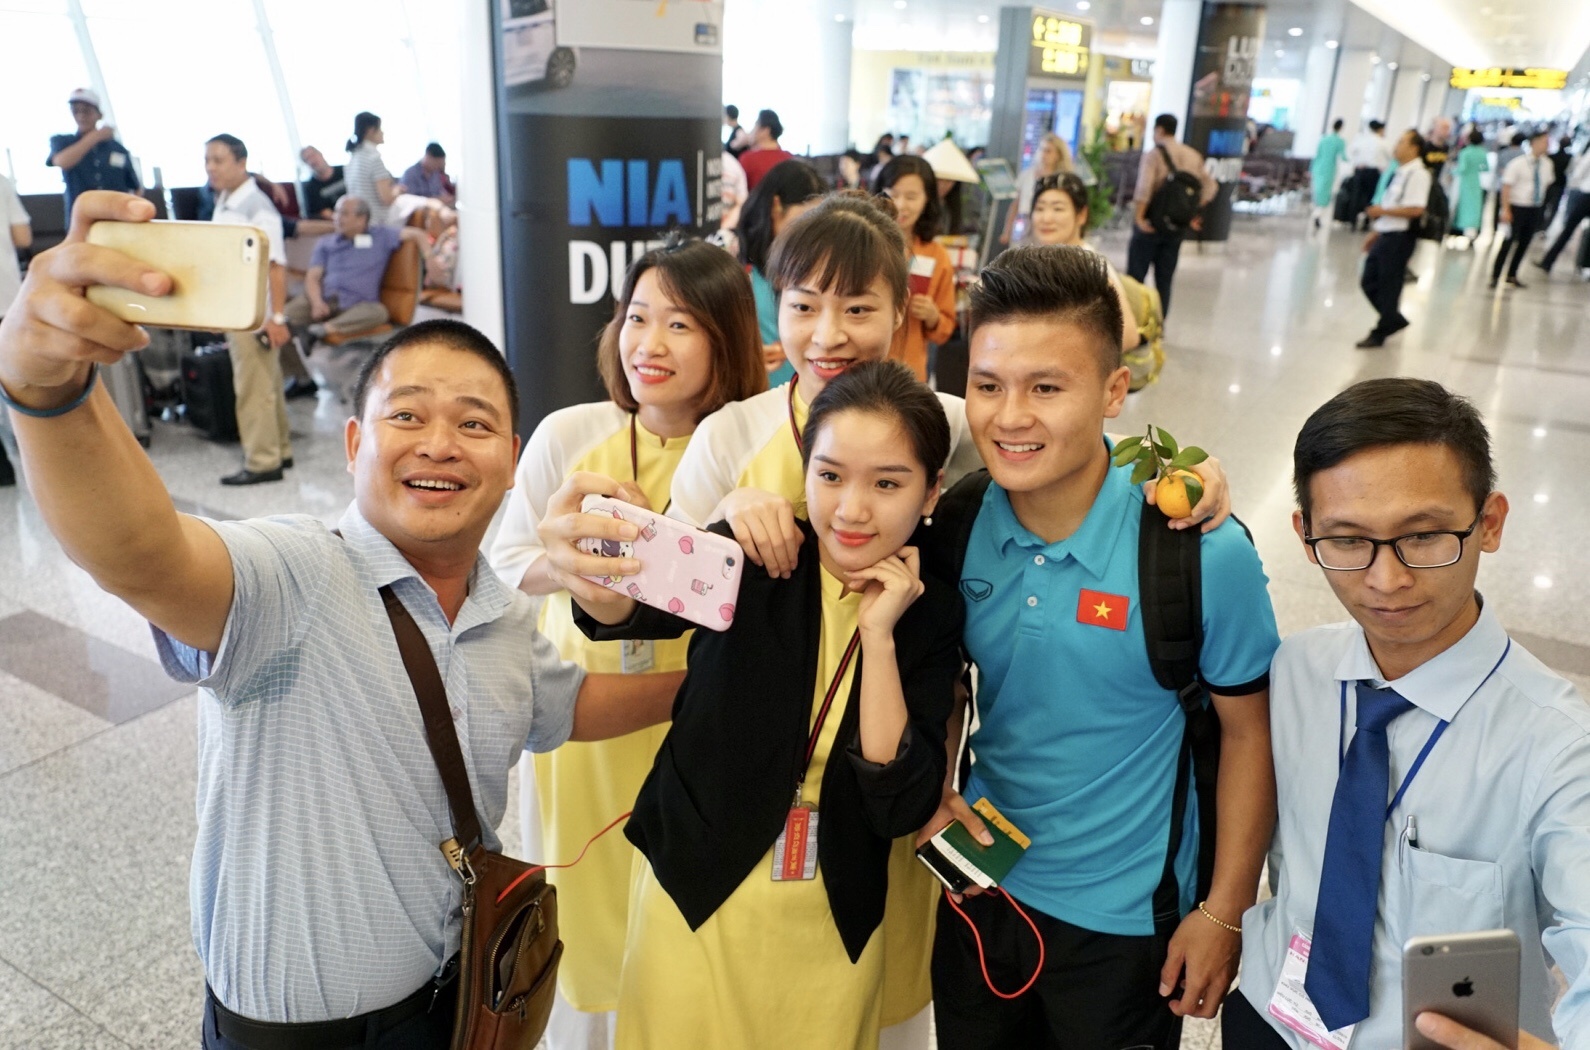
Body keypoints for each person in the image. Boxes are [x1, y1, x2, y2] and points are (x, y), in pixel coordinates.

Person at [0, 190, 686, 1050]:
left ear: (512, 464)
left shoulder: (503, 616)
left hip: (454, 1001)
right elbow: (141, 552)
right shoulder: (295, 571)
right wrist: (48, 388)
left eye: (474, 424)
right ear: (356, 445)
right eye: (407, 415)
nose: (439, 443)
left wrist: (702, 687)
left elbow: (566, 706)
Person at [670, 196, 1234, 1048]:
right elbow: (644, 603)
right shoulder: (729, 438)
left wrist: (1181, 469)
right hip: (736, 799)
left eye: (859, 308)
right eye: (804, 305)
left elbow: (1059, 434)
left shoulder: (947, 423)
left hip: (897, 809)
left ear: (906, 315)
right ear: (772, 308)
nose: (830, 333)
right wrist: (723, 513)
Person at [920, 245, 1278, 1050]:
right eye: (987, 386)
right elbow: (943, 677)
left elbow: (1251, 734)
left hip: (1128, 919)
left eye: (1047, 387)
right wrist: (936, 784)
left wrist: (1224, 910)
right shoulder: (964, 522)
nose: (1010, 416)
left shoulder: (1197, 552)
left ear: (1115, 390)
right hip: (983, 885)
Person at [546, 359, 963, 1050]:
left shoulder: (930, 606)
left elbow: (899, 798)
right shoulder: (762, 554)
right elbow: (622, 611)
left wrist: (879, 637)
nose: (852, 509)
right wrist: (590, 556)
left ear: (930, 492)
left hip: (835, 909)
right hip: (698, 886)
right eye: (829, 475)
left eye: (887, 483)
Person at [1224, 377, 1590, 1050]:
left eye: (1423, 537)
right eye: (1347, 540)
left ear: (1491, 522)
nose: (1386, 580)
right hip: (1272, 1014)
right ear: (1304, 535)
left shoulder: (1559, 746)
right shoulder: (1296, 672)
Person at [488, 238, 766, 1050]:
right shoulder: (571, 433)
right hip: (585, 715)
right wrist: (574, 571)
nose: (649, 343)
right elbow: (503, 565)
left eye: (680, 323)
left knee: (690, 902)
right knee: (588, 902)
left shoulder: (753, 443)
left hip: (701, 713)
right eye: (637, 317)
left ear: (727, 339)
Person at [205, 133, 294, 486]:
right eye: (207, 160)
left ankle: (261, 461)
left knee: (252, 389)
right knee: (266, 382)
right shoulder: (226, 200)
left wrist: (277, 317)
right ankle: (280, 450)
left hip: (253, 314)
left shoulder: (256, 206)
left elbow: (276, 265)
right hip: (237, 308)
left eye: (218, 160)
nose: (211, 167)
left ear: (241, 163)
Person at [735, 159, 827, 386]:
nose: (810, 234)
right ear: (776, 206)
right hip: (754, 396)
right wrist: (746, 355)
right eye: (804, 220)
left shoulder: (820, 266)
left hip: (811, 398)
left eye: (819, 224)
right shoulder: (738, 268)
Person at [1027, 172, 1141, 352]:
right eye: (1040, 208)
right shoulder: (1048, 259)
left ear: (1081, 215)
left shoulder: (1089, 264)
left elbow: (1129, 336)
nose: (1046, 218)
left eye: (1058, 209)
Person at [286, 195, 417, 348]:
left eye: (344, 213)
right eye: (337, 212)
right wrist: (316, 303)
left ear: (362, 219)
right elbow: (313, 277)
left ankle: (319, 330)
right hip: (325, 300)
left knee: (379, 313)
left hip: (358, 305)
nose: (337, 218)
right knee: (280, 319)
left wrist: (430, 258)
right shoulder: (326, 242)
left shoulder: (382, 236)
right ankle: (297, 370)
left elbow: (417, 234)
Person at [872, 155, 957, 383]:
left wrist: (932, 316)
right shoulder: (864, 246)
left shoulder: (936, 255)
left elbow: (945, 328)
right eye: (893, 193)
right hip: (862, 368)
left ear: (927, 199)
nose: (900, 205)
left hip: (908, 374)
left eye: (912, 196)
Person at [1128, 114, 1218, 318]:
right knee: (1164, 280)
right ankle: (1158, 326)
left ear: (1159, 130)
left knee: (1135, 279)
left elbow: (1144, 189)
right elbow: (1211, 187)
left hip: (1151, 224)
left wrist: (1139, 219)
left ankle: (1133, 324)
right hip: (1176, 227)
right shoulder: (1193, 156)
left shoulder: (1154, 155)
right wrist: (1192, 210)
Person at [1355, 129, 1431, 349]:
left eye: (1401, 142)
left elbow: (1416, 209)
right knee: (1369, 280)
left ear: (1414, 148)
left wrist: (1381, 212)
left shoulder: (1418, 174)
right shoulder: (1401, 171)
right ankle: (1392, 320)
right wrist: (1376, 231)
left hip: (1400, 238)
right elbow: (1392, 202)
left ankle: (1382, 329)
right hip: (1387, 233)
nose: (1396, 146)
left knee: (1388, 285)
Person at [47, 88, 139, 214]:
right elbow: (62, 161)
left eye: (86, 111)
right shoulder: (63, 141)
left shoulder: (117, 149)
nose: (81, 116)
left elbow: (135, 186)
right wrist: (95, 136)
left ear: (99, 114)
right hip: (81, 219)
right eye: (76, 111)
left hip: (116, 218)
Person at [1490, 129, 1553, 290]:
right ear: (1534, 143)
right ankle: (1495, 275)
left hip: (1534, 208)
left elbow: (1547, 185)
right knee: (1508, 242)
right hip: (1516, 207)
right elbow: (1506, 187)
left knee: (1524, 243)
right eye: (1544, 142)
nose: (1547, 145)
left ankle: (1512, 274)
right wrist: (1506, 209)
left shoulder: (1547, 164)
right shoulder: (1518, 163)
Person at [1003, 132, 1072, 246]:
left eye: (1048, 151)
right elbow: (1016, 204)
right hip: (1024, 224)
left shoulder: (1061, 180)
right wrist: (1007, 230)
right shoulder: (1027, 175)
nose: (1043, 154)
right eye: (1042, 149)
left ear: (1058, 155)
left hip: (1047, 225)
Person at [1535, 141, 1590, 275]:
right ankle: (1584, 266)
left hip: (1586, 195)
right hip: (1584, 193)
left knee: (1568, 230)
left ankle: (1548, 262)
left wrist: (1574, 185)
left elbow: (1580, 171)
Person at [345, 111, 401, 228]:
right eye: (380, 128)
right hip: (378, 223)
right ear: (371, 130)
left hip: (361, 223)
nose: (383, 132)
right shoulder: (373, 159)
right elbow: (387, 199)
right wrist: (398, 190)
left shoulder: (352, 159)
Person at [396, 143, 458, 236]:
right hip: (418, 214)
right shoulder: (411, 174)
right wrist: (436, 200)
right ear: (428, 157)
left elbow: (439, 192)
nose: (438, 166)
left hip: (436, 208)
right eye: (437, 163)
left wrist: (445, 198)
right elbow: (408, 200)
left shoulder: (435, 174)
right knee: (434, 215)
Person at [1346, 121, 1389, 231]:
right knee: (1369, 197)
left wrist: (1356, 162)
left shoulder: (1361, 139)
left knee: (1356, 196)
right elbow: (1390, 156)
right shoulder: (1381, 142)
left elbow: (1350, 152)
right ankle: (1366, 221)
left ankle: (1353, 222)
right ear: (1380, 129)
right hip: (1373, 172)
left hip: (1360, 170)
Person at [739, 109, 796, 191]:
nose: (752, 131)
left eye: (755, 126)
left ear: (765, 130)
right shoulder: (789, 158)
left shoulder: (748, 159)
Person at [1453, 128, 1489, 247]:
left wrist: (1451, 171)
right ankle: (1473, 232)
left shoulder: (1465, 152)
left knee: (1462, 205)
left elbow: (1461, 168)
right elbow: (1485, 168)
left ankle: (1457, 229)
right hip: (1476, 181)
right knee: (1474, 207)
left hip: (1465, 182)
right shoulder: (1482, 152)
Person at [1311, 119, 1348, 230]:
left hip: (1318, 167)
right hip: (1329, 168)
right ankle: (1318, 213)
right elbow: (1344, 156)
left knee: (1318, 190)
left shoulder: (1323, 139)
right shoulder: (1339, 141)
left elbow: (1317, 154)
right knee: (1325, 192)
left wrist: (1312, 168)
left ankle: (1317, 211)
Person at [1492, 131, 1526, 233]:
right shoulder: (1523, 155)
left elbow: (1497, 170)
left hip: (1501, 186)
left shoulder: (1504, 153)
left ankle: (1495, 228)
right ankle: (1510, 231)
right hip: (1515, 190)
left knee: (1498, 207)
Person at [300, 145, 346, 220]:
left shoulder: (345, 171)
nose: (312, 161)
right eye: (307, 159)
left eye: (313, 155)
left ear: (320, 154)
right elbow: (323, 212)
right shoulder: (310, 188)